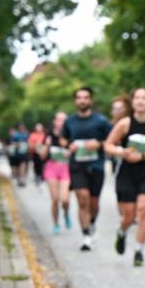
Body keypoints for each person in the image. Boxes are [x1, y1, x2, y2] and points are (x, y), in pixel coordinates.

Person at [105, 88, 145, 265]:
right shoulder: (125, 124)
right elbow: (108, 146)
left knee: (143, 210)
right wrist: (122, 151)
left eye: (144, 98)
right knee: (128, 216)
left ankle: (139, 251)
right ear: (133, 102)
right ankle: (122, 232)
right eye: (137, 98)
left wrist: (143, 156)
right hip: (126, 173)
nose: (141, 101)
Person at [62, 87, 111, 251]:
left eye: (86, 97)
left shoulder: (101, 121)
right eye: (79, 98)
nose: (82, 100)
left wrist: (98, 144)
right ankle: (86, 236)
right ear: (75, 101)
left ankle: (92, 223)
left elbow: (111, 141)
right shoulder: (69, 122)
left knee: (93, 202)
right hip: (77, 166)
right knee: (82, 198)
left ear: (91, 100)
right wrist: (70, 145)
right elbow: (63, 139)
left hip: (96, 166)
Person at [41, 111, 72, 233]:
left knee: (65, 199)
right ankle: (56, 223)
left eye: (64, 120)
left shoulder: (70, 135)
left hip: (66, 168)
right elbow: (42, 156)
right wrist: (47, 145)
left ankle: (66, 213)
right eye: (59, 119)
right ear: (54, 121)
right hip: (51, 168)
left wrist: (70, 150)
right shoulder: (48, 136)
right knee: (55, 199)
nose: (61, 122)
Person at [29, 122, 47, 187]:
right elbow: (30, 144)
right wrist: (36, 145)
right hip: (35, 152)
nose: (38, 128)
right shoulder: (33, 135)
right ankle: (37, 175)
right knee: (36, 164)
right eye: (37, 127)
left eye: (40, 127)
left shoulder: (45, 135)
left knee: (43, 164)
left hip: (43, 152)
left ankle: (42, 175)